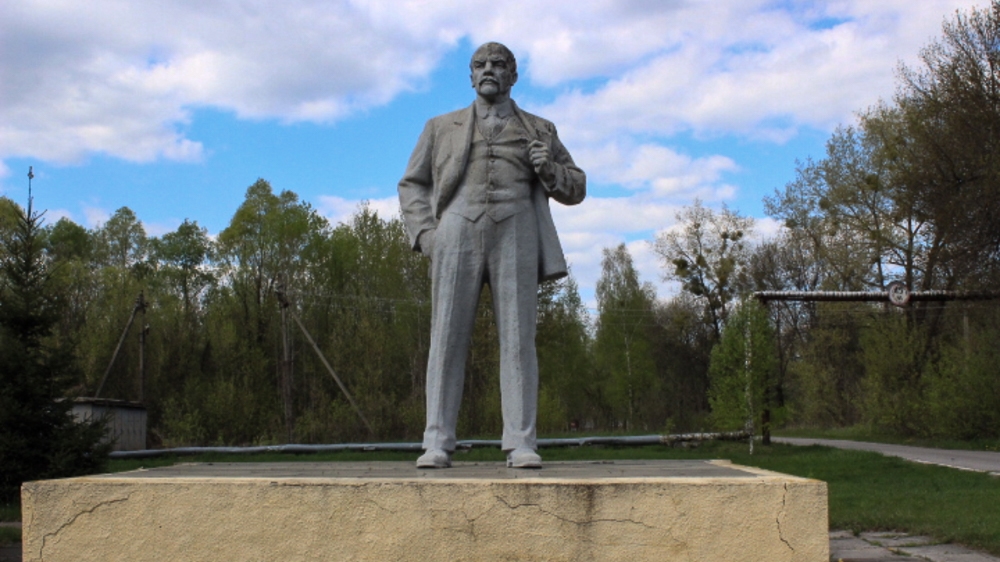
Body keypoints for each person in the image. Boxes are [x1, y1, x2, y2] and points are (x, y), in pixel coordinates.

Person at [398, 42, 586, 468]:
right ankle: (437, 441)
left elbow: (576, 186)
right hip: (456, 230)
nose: (489, 71)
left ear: (513, 76)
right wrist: (426, 234)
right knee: (446, 338)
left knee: (519, 339)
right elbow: (412, 184)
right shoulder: (440, 126)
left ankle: (521, 442)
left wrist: (549, 170)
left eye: (498, 65)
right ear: (470, 75)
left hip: (517, 229)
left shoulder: (541, 129)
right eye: (480, 65)